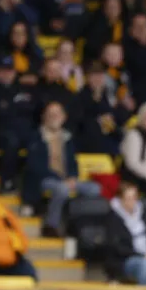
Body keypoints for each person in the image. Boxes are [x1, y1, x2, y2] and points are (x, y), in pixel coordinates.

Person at [23, 100, 102, 237]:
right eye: (51, 114)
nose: (54, 117)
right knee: (62, 189)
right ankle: (51, 225)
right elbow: (35, 166)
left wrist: (72, 177)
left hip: (66, 179)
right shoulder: (35, 137)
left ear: (64, 117)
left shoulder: (68, 137)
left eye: (57, 114)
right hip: (44, 179)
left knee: (95, 189)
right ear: (44, 117)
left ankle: (74, 221)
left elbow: (73, 163)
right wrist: (61, 180)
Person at [103, 183, 146, 286]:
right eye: (128, 198)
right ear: (120, 199)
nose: (131, 202)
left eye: (134, 198)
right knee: (145, 265)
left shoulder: (145, 213)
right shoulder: (113, 218)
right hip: (126, 259)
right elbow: (117, 247)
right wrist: (143, 256)